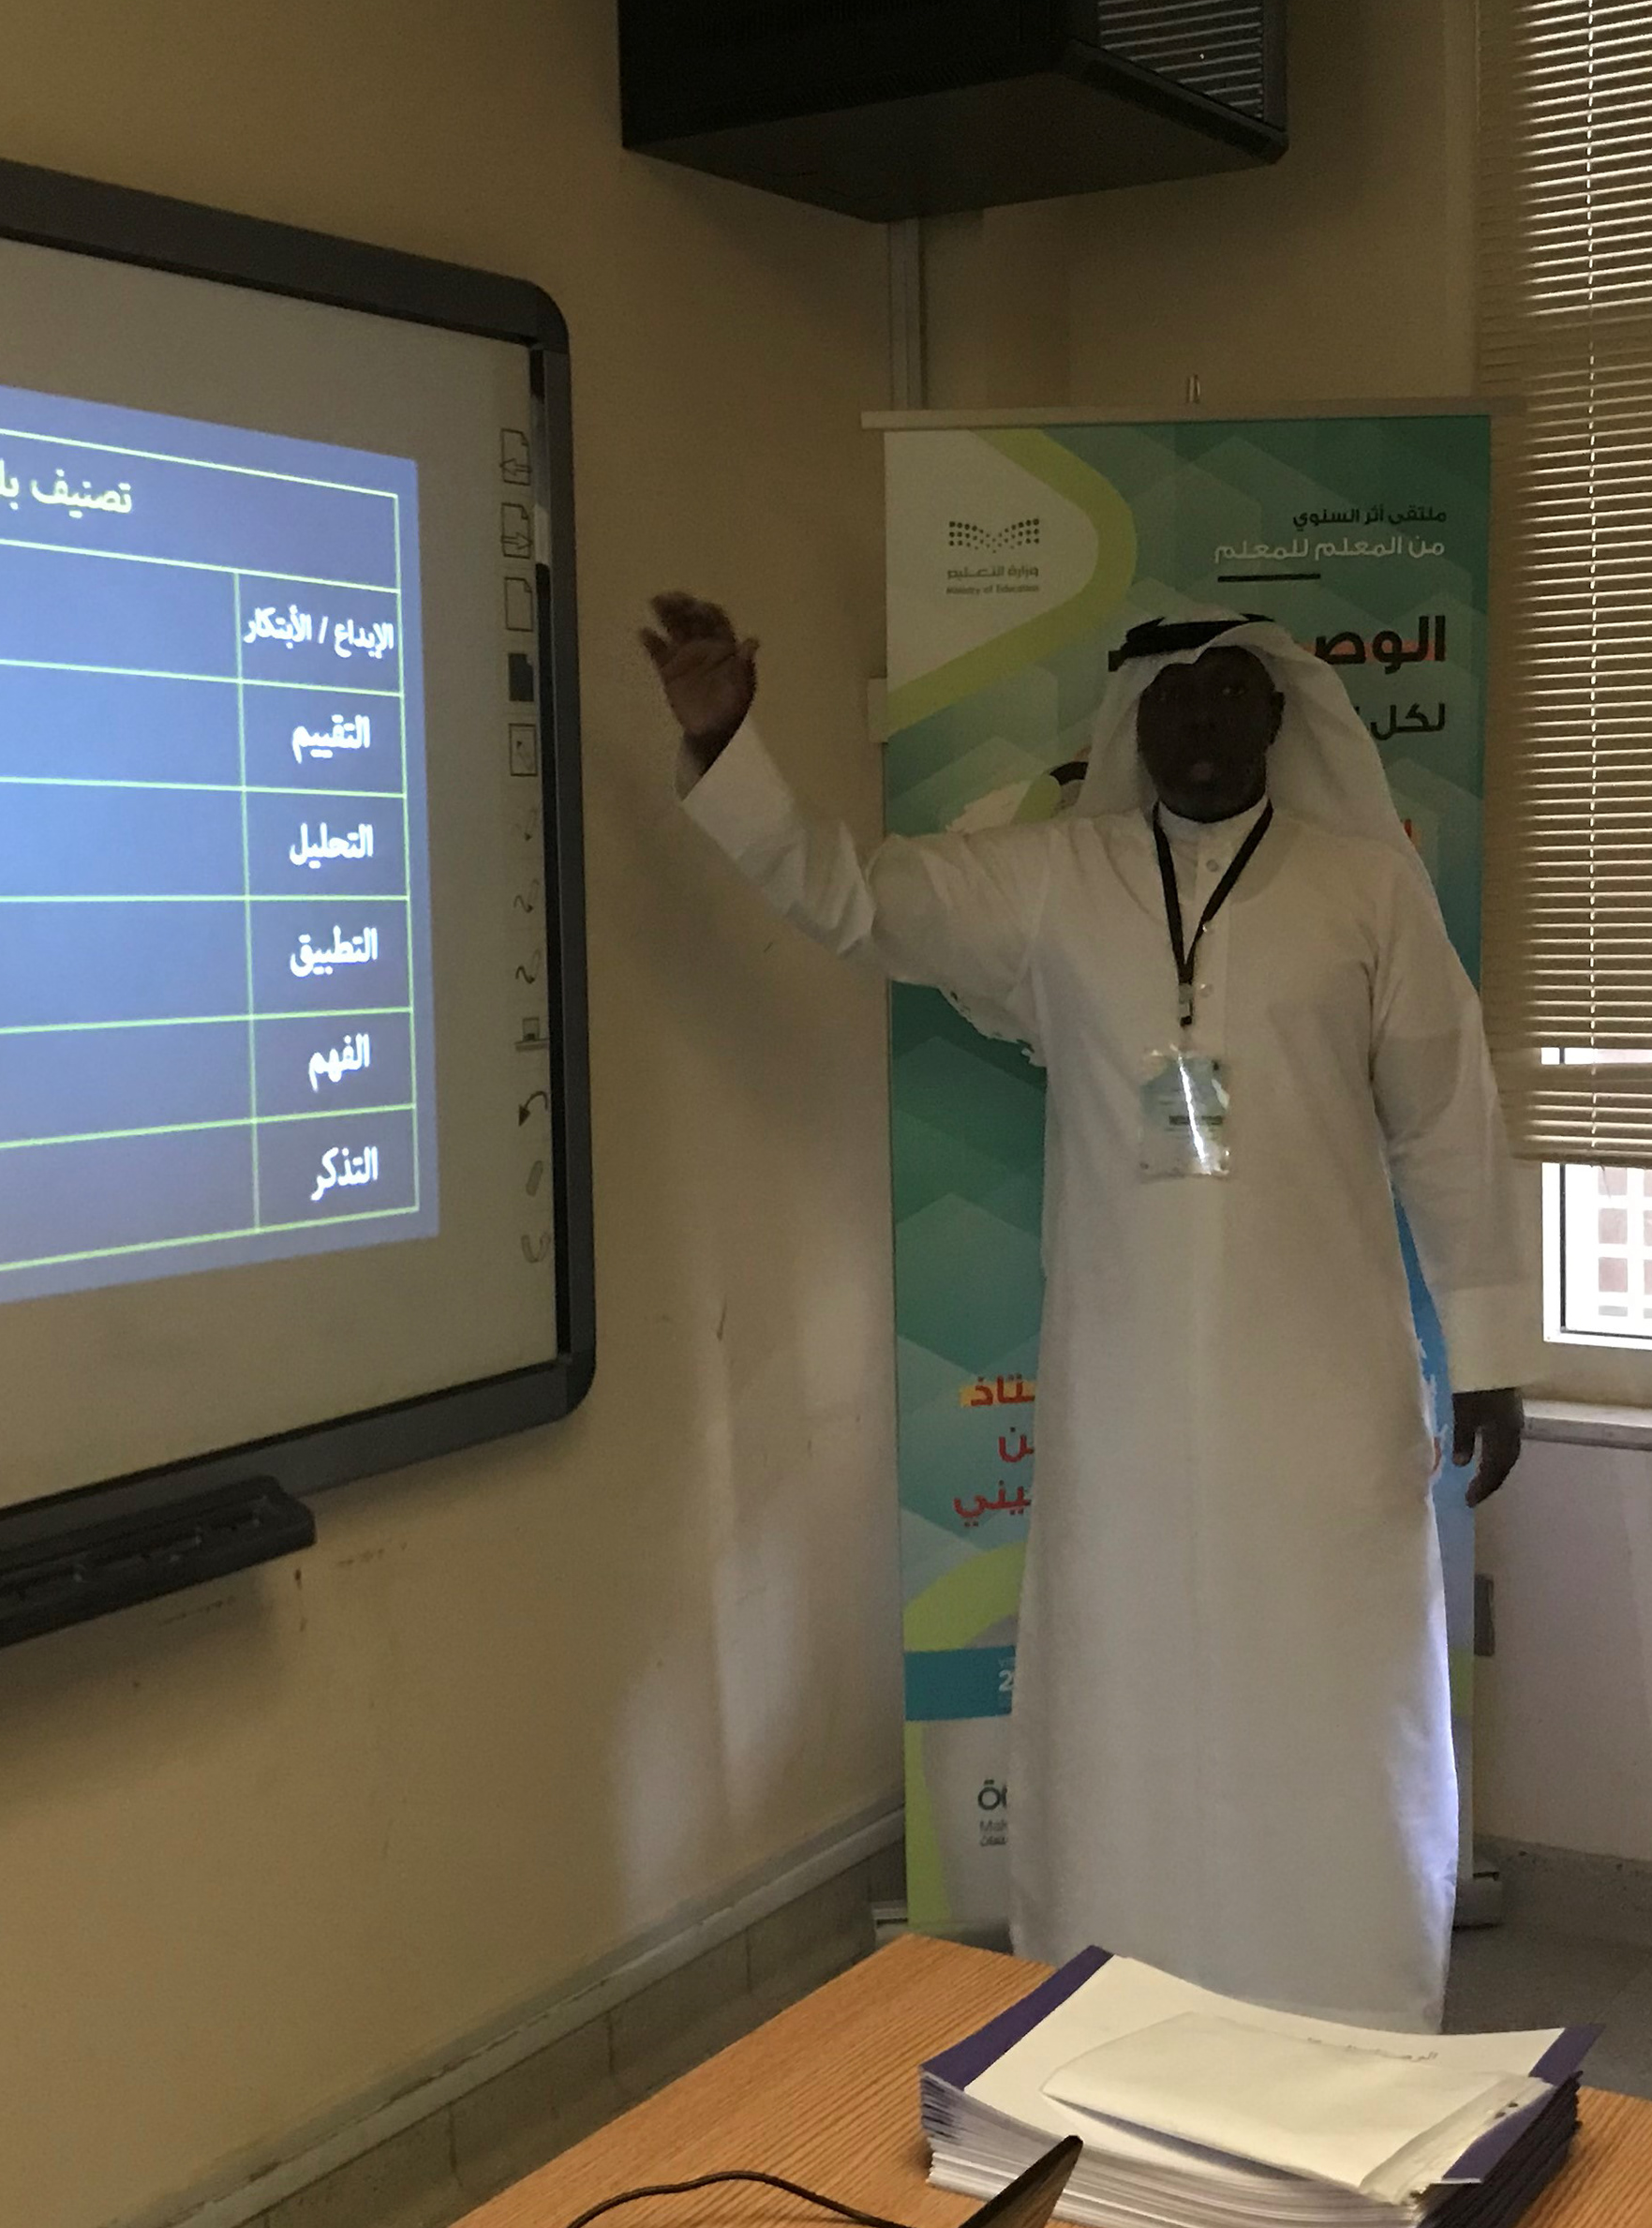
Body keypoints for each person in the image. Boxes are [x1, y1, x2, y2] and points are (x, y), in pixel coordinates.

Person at [645, 591, 1532, 2030]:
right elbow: (858, 898)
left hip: (1320, 1397)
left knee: (1327, 1680)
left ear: (1279, 715)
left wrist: (1487, 1350)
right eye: (1171, 699)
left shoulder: (1367, 890)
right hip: (1124, 1405)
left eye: (1229, 694)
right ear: (1134, 722)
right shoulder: (1057, 881)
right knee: (1131, 1681)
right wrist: (727, 743)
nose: (1201, 722)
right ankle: (1123, 1988)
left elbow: (1449, 1124)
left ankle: (1346, 1990)